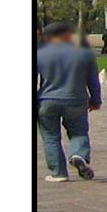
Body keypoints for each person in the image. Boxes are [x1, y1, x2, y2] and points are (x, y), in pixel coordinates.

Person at [35, 22, 101, 182]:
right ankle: (78, 154)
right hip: (76, 99)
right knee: (79, 131)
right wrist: (95, 100)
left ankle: (59, 173)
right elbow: (93, 80)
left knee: (50, 136)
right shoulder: (84, 54)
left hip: (47, 100)